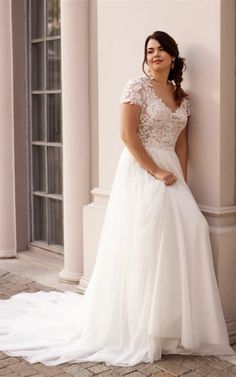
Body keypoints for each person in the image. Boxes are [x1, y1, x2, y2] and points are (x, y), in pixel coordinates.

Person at [0, 30, 235, 367]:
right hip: (142, 170)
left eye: (161, 50)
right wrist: (155, 171)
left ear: (172, 56)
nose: (154, 55)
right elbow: (127, 135)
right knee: (145, 241)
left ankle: (170, 323)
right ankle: (140, 327)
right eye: (149, 50)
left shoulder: (182, 97)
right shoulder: (136, 86)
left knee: (189, 230)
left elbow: (182, 144)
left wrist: (180, 179)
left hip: (171, 171)